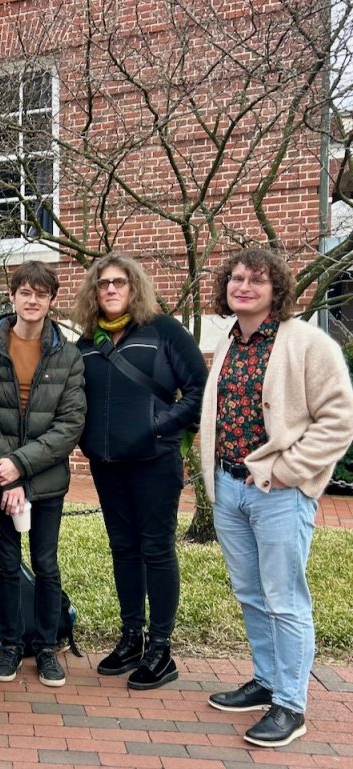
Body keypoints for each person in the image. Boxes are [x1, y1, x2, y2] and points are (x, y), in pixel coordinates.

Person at [201, 248, 353, 748]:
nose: (244, 286)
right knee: (250, 593)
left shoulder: (308, 343)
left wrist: (290, 471)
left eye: (257, 281)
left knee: (285, 599)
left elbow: (338, 421)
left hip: (278, 493)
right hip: (229, 487)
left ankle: (291, 704)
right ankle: (265, 680)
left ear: (277, 290)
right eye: (237, 278)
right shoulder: (230, 341)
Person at [73, 253, 207, 690]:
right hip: (107, 466)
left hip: (154, 462)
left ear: (135, 288)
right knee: (123, 550)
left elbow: (200, 391)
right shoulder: (86, 345)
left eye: (120, 282)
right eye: (103, 283)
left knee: (156, 549)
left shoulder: (163, 331)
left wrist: (159, 426)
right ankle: (133, 635)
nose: (110, 289)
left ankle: (161, 647)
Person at [0, 261, 86, 687]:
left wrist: (22, 466)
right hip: (1, 479)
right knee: (8, 564)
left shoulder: (68, 355)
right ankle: (12, 644)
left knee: (46, 564)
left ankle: (48, 648)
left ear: (51, 300)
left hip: (46, 480)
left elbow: (70, 425)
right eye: (25, 292)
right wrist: (8, 474)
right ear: (12, 296)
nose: (32, 300)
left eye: (41, 293)